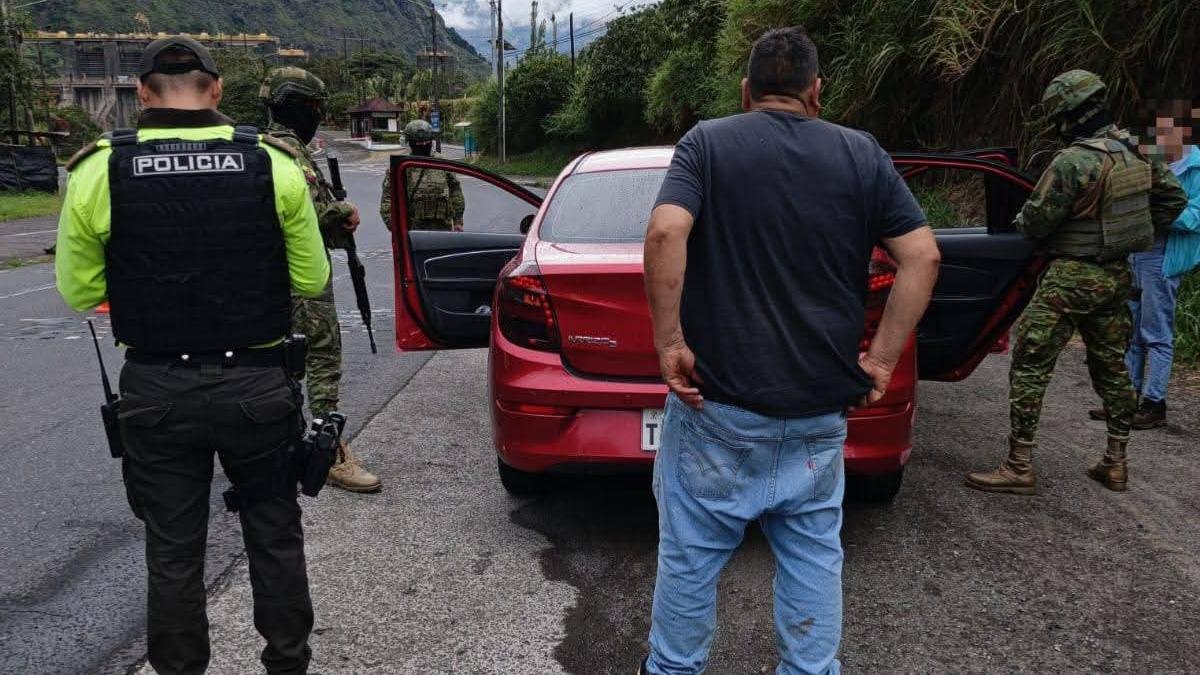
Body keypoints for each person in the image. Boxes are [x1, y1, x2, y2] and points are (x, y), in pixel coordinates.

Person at [640, 27, 941, 675]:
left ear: (747, 92)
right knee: (812, 557)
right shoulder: (861, 154)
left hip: (717, 406)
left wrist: (671, 342)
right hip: (816, 411)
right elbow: (922, 255)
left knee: (690, 554)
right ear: (817, 92)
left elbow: (667, 229)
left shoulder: (707, 144)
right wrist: (881, 360)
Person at [54, 37, 329, 674]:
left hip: (155, 391)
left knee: (173, 551)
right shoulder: (272, 163)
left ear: (142, 94)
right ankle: (288, 665)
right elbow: (312, 280)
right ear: (217, 90)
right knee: (275, 535)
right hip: (258, 389)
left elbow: (79, 291)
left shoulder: (98, 168)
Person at [966, 70, 1187, 495]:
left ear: (1065, 119)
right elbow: (1174, 199)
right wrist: (1132, 229)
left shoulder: (1073, 162)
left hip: (1070, 277)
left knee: (1031, 363)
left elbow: (1035, 222)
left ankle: (1019, 466)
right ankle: (1115, 462)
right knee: (1112, 368)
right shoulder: (1138, 152)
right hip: (1116, 276)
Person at [261, 66, 382, 493]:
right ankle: (327, 450)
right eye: (314, 108)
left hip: (268, 281)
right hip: (301, 280)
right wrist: (343, 211)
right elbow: (303, 215)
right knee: (322, 358)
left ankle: (278, 445)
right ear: (298, 107)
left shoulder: (262, 149)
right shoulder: (288, 154)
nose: (317, 116)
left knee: (278, 363)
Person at [1089, 102, 1200, 428]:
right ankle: (1125, 400)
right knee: (1131, 330)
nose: (1162, 137)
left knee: (1156, 332)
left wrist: (1159, 208)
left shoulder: (1195, 169)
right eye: (1159, 131)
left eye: (1168, 131)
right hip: (1136, 252)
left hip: (1163, 257)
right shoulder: (1150, 161)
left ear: (1184, 132)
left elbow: (1195, 218)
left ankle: (1155, 404)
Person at [379, 119, 464, 232]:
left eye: (427, 142)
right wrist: (396, 228)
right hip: (413, 233)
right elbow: (388, 199)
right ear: (409, 142)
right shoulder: (401, 167)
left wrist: (458, 221)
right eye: (418, 143)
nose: (423, 145)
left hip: (443, 230)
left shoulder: (441, 163)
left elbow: (455, 190)